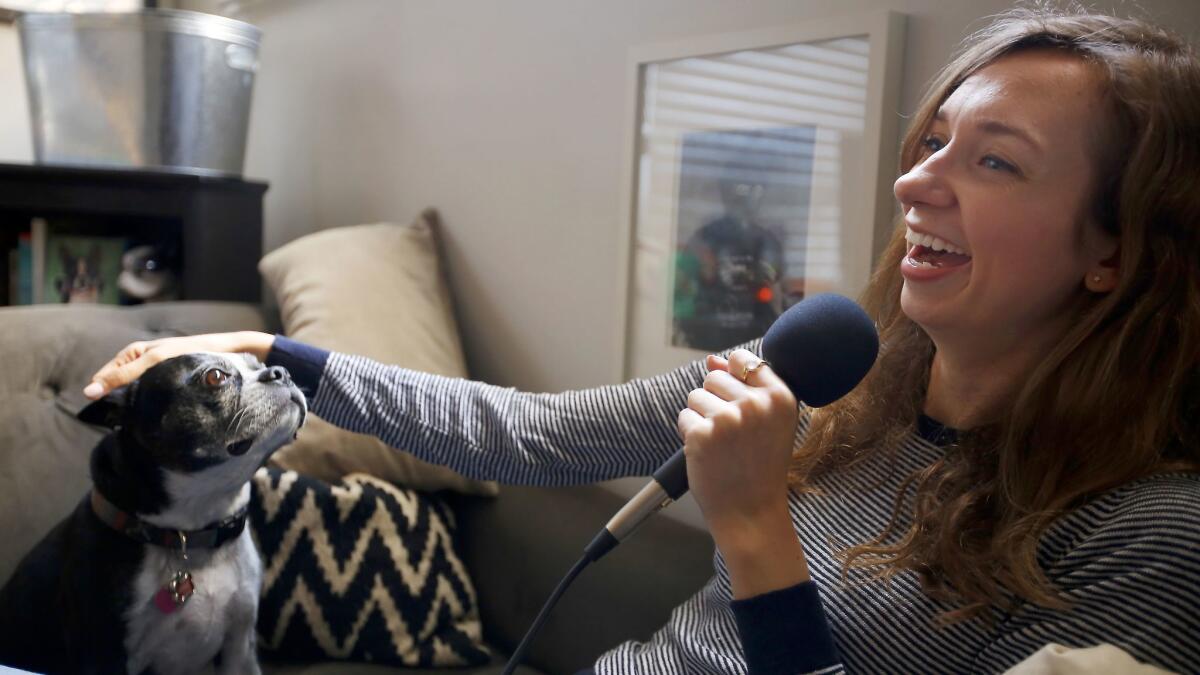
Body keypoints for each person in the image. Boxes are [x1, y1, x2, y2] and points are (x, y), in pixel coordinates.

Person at [83, 7, 1200, 674]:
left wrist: (758, 532)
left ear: (1119, 247)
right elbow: (529, 433)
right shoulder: (831, 376)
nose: (916, 181)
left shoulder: (1153, 538)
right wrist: (283, 361)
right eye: (933, 141)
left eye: (993, 160)